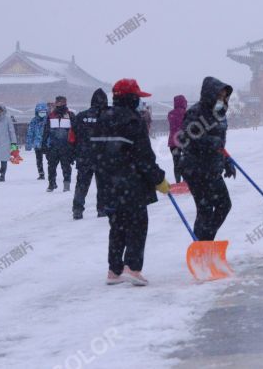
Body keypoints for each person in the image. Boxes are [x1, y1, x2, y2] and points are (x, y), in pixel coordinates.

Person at [91, 79, 169, 285]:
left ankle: (114, 270)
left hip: (107, 183)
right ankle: (133, 268)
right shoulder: (133, 121)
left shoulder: (101, 119)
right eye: (137, 98)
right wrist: (158, 179)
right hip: (131, 183)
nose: (139, 102)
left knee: (117, 226)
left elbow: (92, 152)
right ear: (131, 98)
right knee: (137, 224)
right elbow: (144, 157)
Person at [179, 77, 235, 241]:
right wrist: (210, 143)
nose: (223, 100)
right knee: (205, 209)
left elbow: (220, 143)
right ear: (211, 95)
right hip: (195, 168)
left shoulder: (220, 114)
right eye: (220, 96)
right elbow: (184, 139)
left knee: (224, 205)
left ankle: (206, 241)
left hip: (213, 167)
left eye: (225, 96)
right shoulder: (196, 112)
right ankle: (200, 246)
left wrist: (226, 161)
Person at [71, 89, 109, 220]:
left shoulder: (80, 116)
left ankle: (77, 209)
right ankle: (102, 209)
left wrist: (74, 152)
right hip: (102, 157)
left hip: (84, 156)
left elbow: (72, 137)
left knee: (82, 183)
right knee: (103, 184)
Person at [43, 96, 76, 192]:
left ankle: (66, 185)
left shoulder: (71, 115)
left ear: (65, 103)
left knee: (66, 166)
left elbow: (76, 131)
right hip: (53, 146)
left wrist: (75, 146)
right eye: (57, 102)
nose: (58, 104)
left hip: (66, 146)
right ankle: (51, 184)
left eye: (60, 102)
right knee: (51, 166)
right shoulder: (51, 115)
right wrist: (44, 144)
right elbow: (46, 131)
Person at [25, 102, 49, 180]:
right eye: (40, 112)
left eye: (44, 112)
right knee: (39, 160)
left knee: (50, 160)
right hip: (37, 144)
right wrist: (28, 144)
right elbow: (30, 133)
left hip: (47, 143)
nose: (42, 114)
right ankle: (41, 173)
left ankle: (51, 172)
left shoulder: (49, 121)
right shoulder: (34, 121)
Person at [167, 95, 188, 183]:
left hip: (173, 142)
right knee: (186, 162)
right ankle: (185, 181)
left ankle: (178, 182)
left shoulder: (170, 114)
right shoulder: (186, 113)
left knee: (176, 163)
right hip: (184, 142)